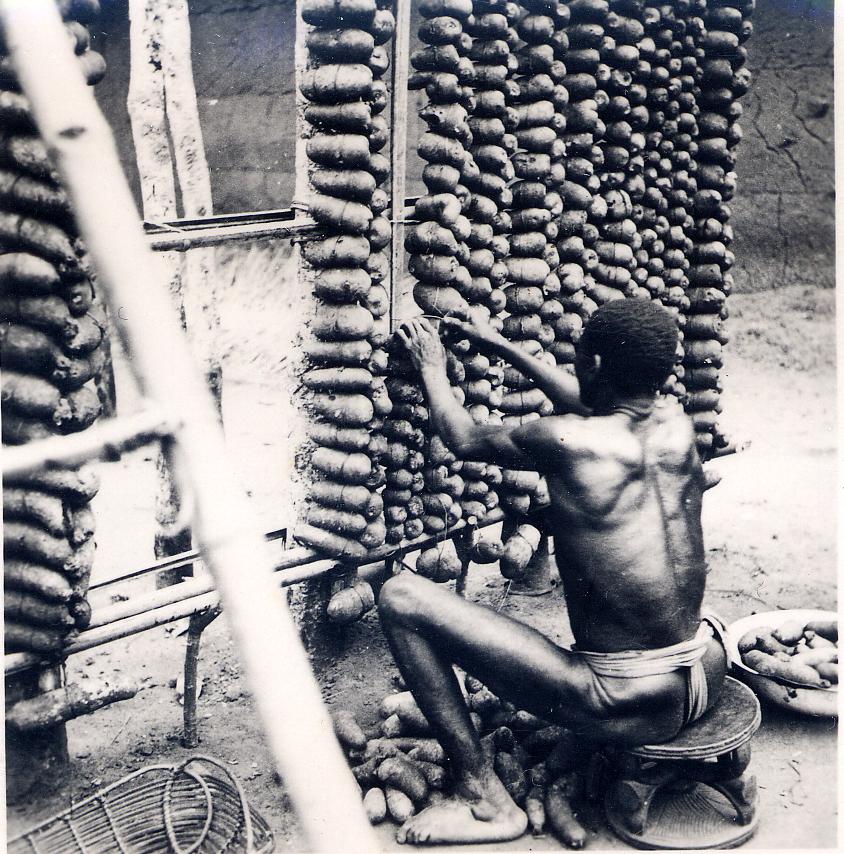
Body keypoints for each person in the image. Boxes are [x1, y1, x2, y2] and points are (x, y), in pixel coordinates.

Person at [378, 299, 727, 845]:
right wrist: (498, 343)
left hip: (621, 700)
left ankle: (486, 801)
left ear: (591, 366)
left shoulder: (563, 441)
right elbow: (597, 405)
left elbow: (463, 438)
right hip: (705, 674)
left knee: (400, 596)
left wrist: (430, 366)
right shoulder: (675, 424)